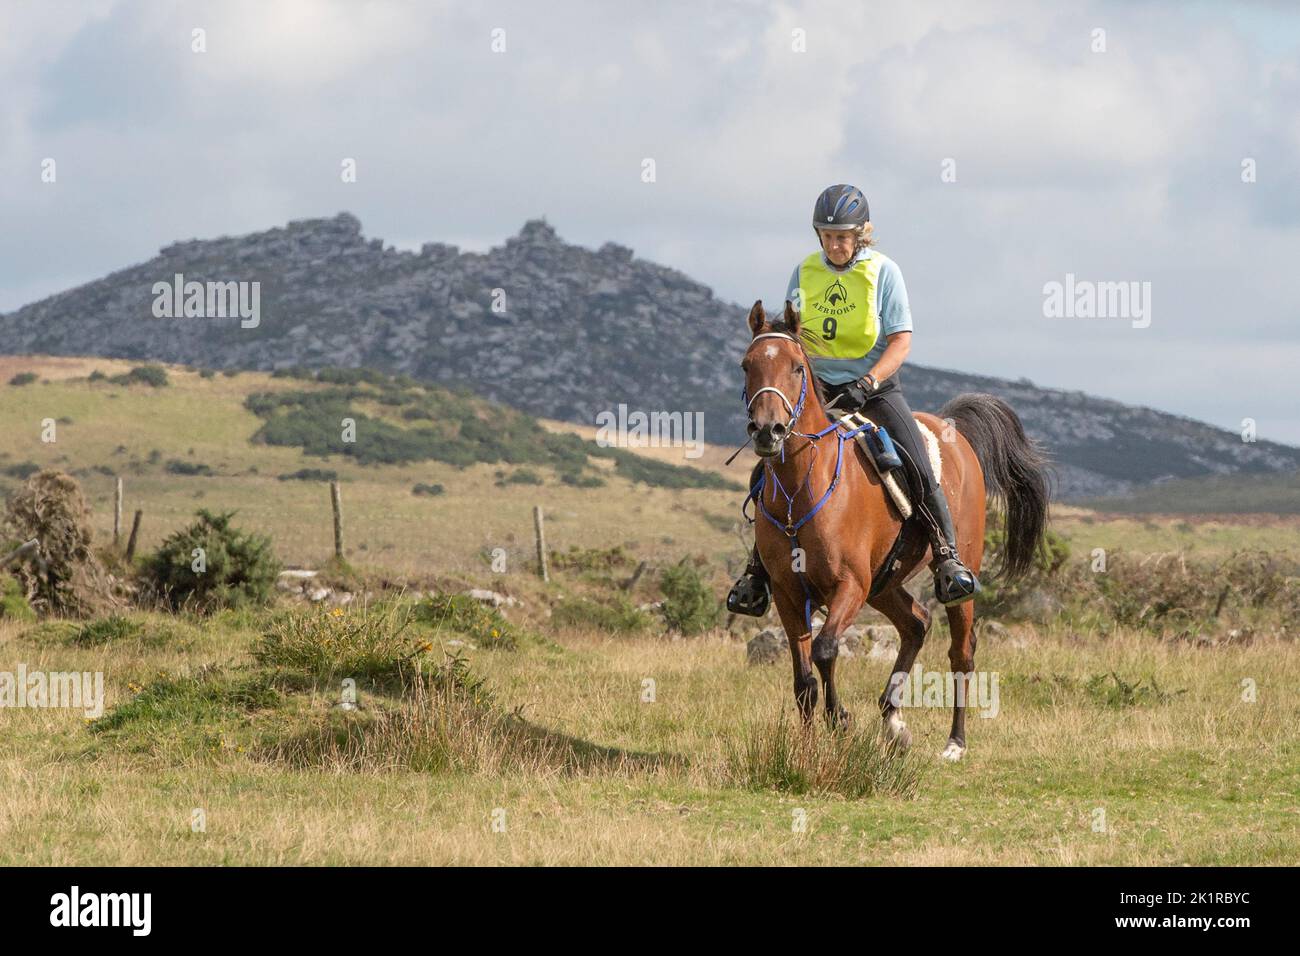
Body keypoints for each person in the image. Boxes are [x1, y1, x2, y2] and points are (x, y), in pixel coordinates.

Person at [727, 183, 980, 616]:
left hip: (875, 390)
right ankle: (758, 571)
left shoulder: (884, 272)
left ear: (861, 234)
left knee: (917, 462)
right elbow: (791, 341)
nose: (835, 244)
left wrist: (867, 382)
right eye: (827, 236)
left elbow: (901, 341)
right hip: (817, 395)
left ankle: (946, 555)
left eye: (843, 236)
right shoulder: (804, 273)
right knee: (769, 468)